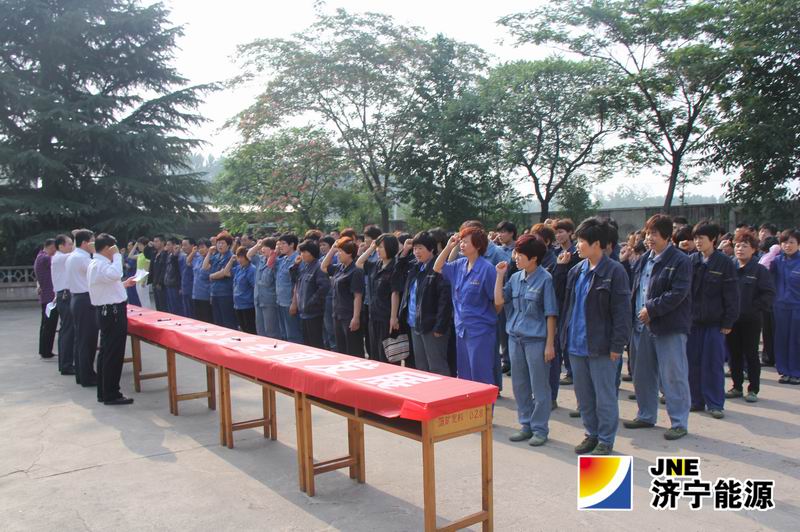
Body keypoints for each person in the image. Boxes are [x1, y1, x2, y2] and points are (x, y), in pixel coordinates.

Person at [560, 218, 631, 455]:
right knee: (584, 396)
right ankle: (591, 433)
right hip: (576, 345)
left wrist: (617, 345)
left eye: (581, 241)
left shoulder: (615, 271)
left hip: (601, 346)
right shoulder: (576, 270)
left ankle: (606, 440)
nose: (577, 245)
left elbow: (622, 312)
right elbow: (568, 308)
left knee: (605, 396)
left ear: (597, 244)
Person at [624, 214, 692, 441]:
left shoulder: (680, 261)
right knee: (642, 374)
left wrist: (651, 309)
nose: (649, 238)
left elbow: (679, 293)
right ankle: (646, 415)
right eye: (647, 233)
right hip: (640, 326)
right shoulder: (644, 259)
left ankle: (679, 422)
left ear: (667, 236)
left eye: (654, 234)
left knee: (673, 375)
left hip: (669, 327)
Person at [495, 235, 558, 446]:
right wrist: (499, 276)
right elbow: (499, 301)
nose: (516, 257)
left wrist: (549, 344)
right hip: (515, 338)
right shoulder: (514, 278)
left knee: (539, 387)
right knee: (520, 385)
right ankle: (526, 425)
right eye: (516, 253)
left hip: (536, 341)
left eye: (520, 255)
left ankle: (540, 428)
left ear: (534, 258)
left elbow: (551, 314)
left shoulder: (545, 279)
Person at [686, 222, 740, 418]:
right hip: (693, 323)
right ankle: (696, 400)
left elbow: (732, 295)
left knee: (713, 364)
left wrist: (728, 321)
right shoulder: (691, 260)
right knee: (692, 363)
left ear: (713, 239)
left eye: (701, 238)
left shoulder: (724, 263)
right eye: (695, 238)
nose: (698, 241)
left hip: (715, 324)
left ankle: (715, 403)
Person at [434, 226, 497, 385]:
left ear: (478, 245)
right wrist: (449, 246)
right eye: (461, 241)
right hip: (462, 329)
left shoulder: (487, 269)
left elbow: (496, 301)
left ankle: (486, 402)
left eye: (466, 242)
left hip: (480, 331)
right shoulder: (459, 265)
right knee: (464, 375)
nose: (461, 245)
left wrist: (486, 320)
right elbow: (437, 267)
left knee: (481, 375)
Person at [87, 233, 137, 405]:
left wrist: (124, 284)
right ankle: (111, 393)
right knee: (113, 354)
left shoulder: (97, 264)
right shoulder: (100, 264)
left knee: (106, 352)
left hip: (108, 311)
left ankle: (104, 391)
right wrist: (117, 256)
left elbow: (107, 285)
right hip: (112, 312)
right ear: (108, 249)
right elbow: (115, 274)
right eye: (113, 248)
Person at [726, 232, 775, 402]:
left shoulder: (759, 270)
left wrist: (753, 308)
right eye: (737, 245)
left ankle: (753, 389)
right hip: (731, 319)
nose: (740, 249)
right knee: (734, 354)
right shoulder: (730, 267)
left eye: (745, 246)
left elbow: (768, 294)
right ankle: (737, 386)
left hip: (751, 320)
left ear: (753, 249)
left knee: (751, 354)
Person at [396, 232, 452, 375]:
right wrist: (405, 251)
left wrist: (440, 326)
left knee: (436, 366)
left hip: (432, 326)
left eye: (420, 248)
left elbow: (444, 301)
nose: (416, 252)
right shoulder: (415, 267)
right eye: (415, 248)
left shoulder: (438, 269)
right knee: (421, 366)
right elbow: (397, 273)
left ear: (431, 249)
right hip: (415, 323)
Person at [357, 234, 404, 363]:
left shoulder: (395, 267)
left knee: (387, 356)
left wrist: (393, 318)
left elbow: (395, 293)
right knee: (375, 353)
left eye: (381, 247)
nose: (378, 250)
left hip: (386, 317)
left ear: (390, 247)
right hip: (374, 315)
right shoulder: (376, 265)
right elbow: (359, 262)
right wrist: (372, 247)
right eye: (378, 247)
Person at [322, 237, 365, 357]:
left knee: (353, 350)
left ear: (349, 253)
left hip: (349, 315)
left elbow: (357, 296)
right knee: (342, 350)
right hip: (338, 314)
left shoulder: (356, 271)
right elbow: (324, 267)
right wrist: (332, 250)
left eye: (341, 252)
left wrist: (355, 317)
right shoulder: (339, 268)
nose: (338, 254)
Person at [65, 229, 98, 387]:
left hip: (78, 299)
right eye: (92, 241)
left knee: (81, 340)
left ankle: (82, 374)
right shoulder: (82, 258)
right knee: (88, 341)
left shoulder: (74, 256)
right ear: (85, 243)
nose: (94, 244)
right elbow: (98, 273)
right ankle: (87, 376)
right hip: (85, 300)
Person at [770, 228, 800, 384]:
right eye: (784, 242)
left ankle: (796, 372)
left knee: (796, 340)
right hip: (780, 307)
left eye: (791, 242)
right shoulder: (776, 261)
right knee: (781, 339)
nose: (787, 245)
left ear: (798, 244)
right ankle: (784, 371)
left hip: (797, 307)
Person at [291, 240, 330, 349]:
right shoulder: (305, 266)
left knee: (316, 343)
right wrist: (295, 265)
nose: (302, 255)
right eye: (301, 252)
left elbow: (324, 287)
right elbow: (295, 280)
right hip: (304, 312)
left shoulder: (318, 267)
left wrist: (311, 303)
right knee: (308, 344)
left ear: (312, 253)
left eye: (304, 252)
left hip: (314, 312)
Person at [51, 234, 75, 375]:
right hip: (65, 296)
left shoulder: (60, 257)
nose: (71, 247)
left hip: (63, 295)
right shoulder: (60, 257)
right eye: (69, 244)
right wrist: (77, 237)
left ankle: (64, 363)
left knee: (66, 330)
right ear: (61, 246)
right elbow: (77, 254)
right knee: (68, 331)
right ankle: (66, 364)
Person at [248, 237, 281, 338]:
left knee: (271, 330)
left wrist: (272, 257)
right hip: (258, 299)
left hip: (269, 301)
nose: (262, 249)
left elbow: (267, 281)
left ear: (272, 249)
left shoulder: (277, 262)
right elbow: (249, 255)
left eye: (265, 247)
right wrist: (257, 245)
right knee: (260, 330)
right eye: (262, 247)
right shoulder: (260, 259)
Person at [204, 231, 238, 330]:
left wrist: (211, 276)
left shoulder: (231, 257)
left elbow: (224, 273)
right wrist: (209, 253)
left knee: (228, 321)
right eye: (218, 243)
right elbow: (205, 267)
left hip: (226, 293)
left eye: (222, 243)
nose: (219, 245)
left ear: (228, 245)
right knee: (218, 322)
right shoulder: (216, 256)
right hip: (215, 292)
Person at [220, 246, 256, 334]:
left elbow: (255, 286)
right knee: (243, 329)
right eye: (238, 257)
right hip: (238, 304)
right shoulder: (239, 268)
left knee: (250, 329)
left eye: (242, 257)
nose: (239, 260)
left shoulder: (251, 269)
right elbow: (225, 272)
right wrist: (231, 260)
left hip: (248, 305)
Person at [275, 233, 303, 343]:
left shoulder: (297, 260)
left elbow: (297, 284)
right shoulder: (283, 259)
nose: (280, 246)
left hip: (289, 302)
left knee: (293, 334)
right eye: (279, 244)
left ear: (292, 245)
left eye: (283, 244)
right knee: (284, 334)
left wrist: (294, 303)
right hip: (280, 301)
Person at [34, 238, 58, 360]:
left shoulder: (41, 257)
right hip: (49, 297)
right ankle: (45, 351)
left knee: (47, 325)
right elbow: (59, 260)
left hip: (47, 296)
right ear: (51, 247)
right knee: (49, 325)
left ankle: (45, 350)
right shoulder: (45, 258)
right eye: (55, 248)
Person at [759, 235, 781, 367]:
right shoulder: (766, 257)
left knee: (774, 331)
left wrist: (773, 251)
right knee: (767, 331)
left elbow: (763, 267)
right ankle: (768, 357)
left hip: (776, 300)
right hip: (767, 300)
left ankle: (774, 357)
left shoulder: (776, 258)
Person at [187, 239, 213, 323]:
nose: (200, 250)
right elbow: (188, 262)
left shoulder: (211, 259)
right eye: (199, 248)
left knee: (207, 320)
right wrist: (193, 252)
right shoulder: (198, 258)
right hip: (196, 294)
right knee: (199, 320)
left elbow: (204, 271)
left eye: (202, 247)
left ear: (208, 248)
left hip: (206, 295)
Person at [319, 236, 337, 350]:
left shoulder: (336, 258)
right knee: (324, 328)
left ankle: (334, 350)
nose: (322, 247)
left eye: (324, 245)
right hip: (322, 297)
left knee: (331, 329)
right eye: (320, 245)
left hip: (331, 296)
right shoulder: (321, 259)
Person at [163, 237, 183, 315]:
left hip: (175, 284)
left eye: (168, 245)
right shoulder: (169, 255)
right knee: (171, 307)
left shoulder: (180, 255)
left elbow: (179, 271)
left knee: (177, 307)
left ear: (174, 245)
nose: (166, 247)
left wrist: (180, 286)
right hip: (168, 283)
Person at [132, 237, 153, 308]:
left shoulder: (147, 254)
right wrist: (136, 244)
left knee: (145, 299)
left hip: (144, 278)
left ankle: (148, 312)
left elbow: (147, 268)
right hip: (138, 278)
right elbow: (130, 256)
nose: (139, 246)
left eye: (140, 245)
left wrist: (144, 280)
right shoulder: (140, 254)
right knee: (141, 299)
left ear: (145, 245)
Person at [150, 235, 168, 311]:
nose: (154, 243)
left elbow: (164, 269)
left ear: (163, 242)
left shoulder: (165, 254)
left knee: (163, 305)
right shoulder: (154, 254)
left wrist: (160, 282)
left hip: (161, 284)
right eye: (154, 241)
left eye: (157, 241)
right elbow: (146, 253)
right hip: (154, 282)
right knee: (158, 305)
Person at [179, 238, 195, 318]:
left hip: (193, 289)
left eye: (185, 245)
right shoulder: (183, 257)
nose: (183, 247)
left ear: (192, 246)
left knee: (193, 313)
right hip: (185, 288)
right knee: (186, 313)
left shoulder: (196, 257)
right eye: (182, 245)